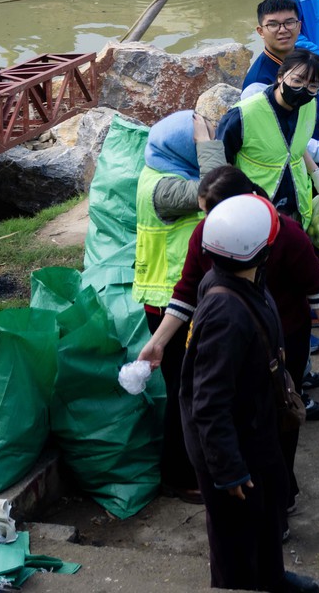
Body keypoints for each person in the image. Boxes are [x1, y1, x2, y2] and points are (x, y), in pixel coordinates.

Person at [144, 164, 319, 522]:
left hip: (285, 342)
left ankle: (281, 496)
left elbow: (317, 289)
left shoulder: (288, 235)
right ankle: (252, 491)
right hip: (238, 345)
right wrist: (159, 341)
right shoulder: (207, 234)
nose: (203, 219)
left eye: (209, 211)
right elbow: (186, 291)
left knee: (282, 417)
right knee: (245, 421)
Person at [177, 193, 319, 593]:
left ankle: (272, 578)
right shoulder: (226, 314)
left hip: (255, 428)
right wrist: (229, 469)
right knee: (234, 540)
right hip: (230, 446)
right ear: (262, 252)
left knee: (264, 516)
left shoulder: (241, 281)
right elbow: (208, 404)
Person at [132, 108, 219, 495]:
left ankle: (194, 467)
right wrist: (207, 145)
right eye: (198, 139)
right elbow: (218, 190)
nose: (207, 138)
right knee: (188, 393)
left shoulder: (166, 170)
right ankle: (180, 477)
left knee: (194, 389)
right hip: (170, 302)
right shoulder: (165, 188)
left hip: (179, 298)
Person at [214, 49, 319, 235]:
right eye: (297, 81)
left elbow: (295, 147)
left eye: (312, 86)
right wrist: (232, 202)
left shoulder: (308, 105)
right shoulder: (244, 115)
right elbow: (218, 162)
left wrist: (317, 175)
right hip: (256, 211)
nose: (303, 89)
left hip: (297, 205)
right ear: (280, 77)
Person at [245, 0, 319, 176]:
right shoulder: (257, 84)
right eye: (273, 24)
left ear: (299, 26)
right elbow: (277, 135)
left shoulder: (312, 61)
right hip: (279, 169)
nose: (283, 30)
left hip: (318, 155)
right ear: (260, 31)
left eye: (289, 22)